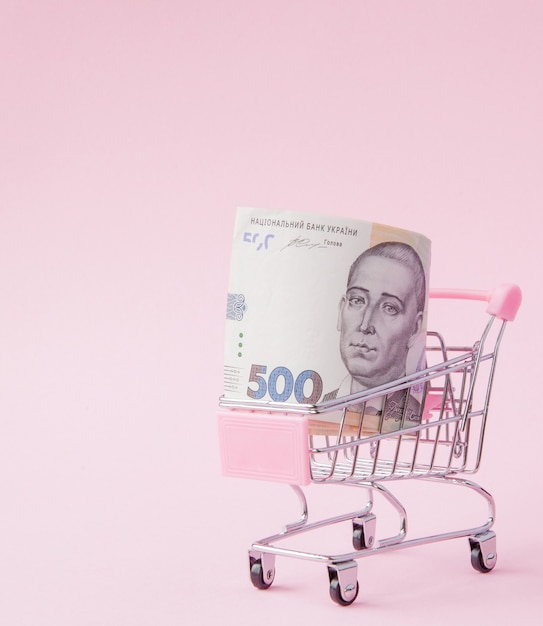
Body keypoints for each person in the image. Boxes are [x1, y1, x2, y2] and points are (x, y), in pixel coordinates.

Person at [322, 241, 427, 431]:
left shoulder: (410, 413)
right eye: (357, 300)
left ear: (414, 329)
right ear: (341, 311)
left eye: (389, 308)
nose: (365, 325)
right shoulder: (320, 405)